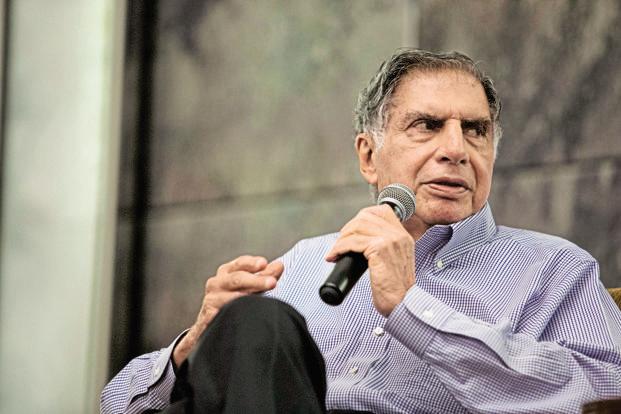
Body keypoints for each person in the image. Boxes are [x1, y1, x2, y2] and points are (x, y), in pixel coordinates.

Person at [101, 49, 621, 413]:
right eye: (427, 126)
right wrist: (197, 343)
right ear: (369, 156)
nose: (456, 150)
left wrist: (412, 308)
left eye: (475, 131)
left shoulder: (553, 268)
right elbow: (113, 404)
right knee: (253, 323)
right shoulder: (303, 264)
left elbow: (604, 390)